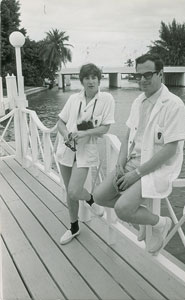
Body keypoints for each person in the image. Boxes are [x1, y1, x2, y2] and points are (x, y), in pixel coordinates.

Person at [93, 54, 185, 255]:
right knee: (99, 196)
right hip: (132, 162)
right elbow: (129, 134)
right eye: (139, 75)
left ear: (160, 74)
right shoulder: (138, 101)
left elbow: (170, 149)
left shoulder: (174, 104)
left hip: (156, 167)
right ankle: (143, 220)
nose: (142, 79)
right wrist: (120, 162)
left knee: (122, 209)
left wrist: (136, 174)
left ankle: (160, 223)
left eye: (148, 74)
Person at [56, 63, 115, 245]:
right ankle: (74, 227)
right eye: (87, 78)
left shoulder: (106, 99)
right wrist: (67, 135)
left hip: (85, 152)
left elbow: (105, 128)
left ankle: (90, 199)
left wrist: (84, 133)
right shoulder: (74, 99)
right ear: (82, 81)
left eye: (94, 77)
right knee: (69, 192)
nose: (91, 81)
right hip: (67, 149)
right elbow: (60, 122)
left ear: (99, 80)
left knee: (74, 191)